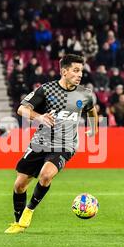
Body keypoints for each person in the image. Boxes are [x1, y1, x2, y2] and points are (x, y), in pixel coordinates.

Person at [5, 54, 98, 234]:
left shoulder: (85, 94)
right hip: (40, 143)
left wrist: (94, 129)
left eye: (81, 71)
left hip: (66, 144)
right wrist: (39, 117)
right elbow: (21, 109)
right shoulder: (46, 90)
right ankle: (18, 222)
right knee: (19, 185)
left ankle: (28, 212)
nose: (80, 75)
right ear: (64, 71)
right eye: (76, 70)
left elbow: (92, 111)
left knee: (46, 175)